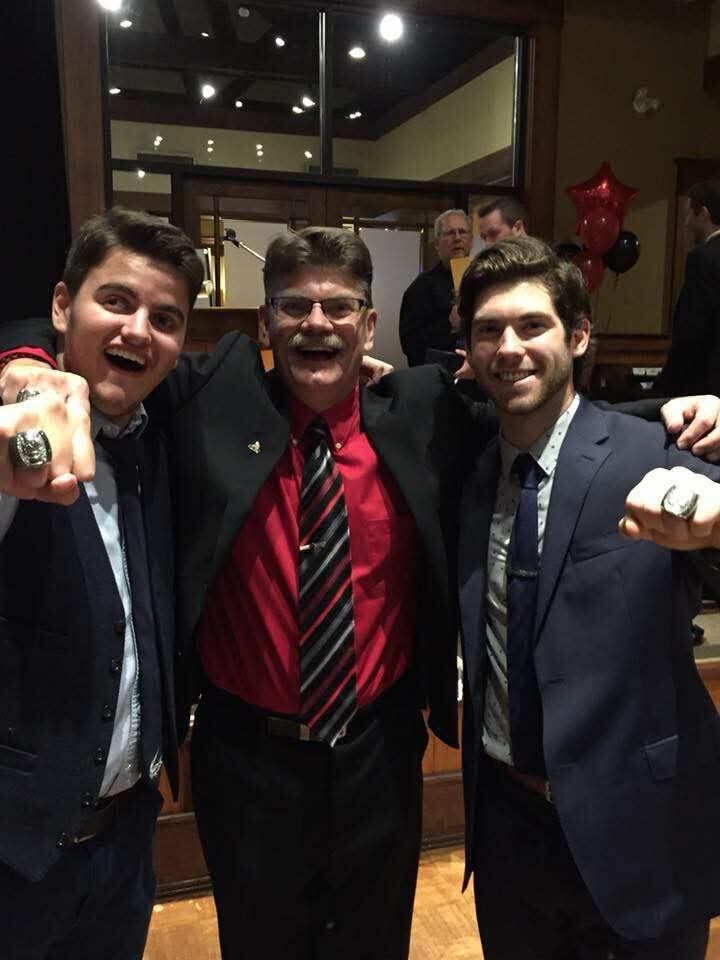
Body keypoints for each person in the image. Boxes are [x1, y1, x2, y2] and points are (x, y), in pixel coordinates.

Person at [3, 227, 720, 960]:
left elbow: (541, 413)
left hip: (380, 757)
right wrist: (24, 361)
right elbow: (96, 346)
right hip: (246, 762)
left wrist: (676, 413)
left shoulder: (422, 411)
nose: (317, 323)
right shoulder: (211, 398)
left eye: (340, 307)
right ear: (266, 324)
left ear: (369, 325)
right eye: (295, 306)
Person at [456, 235, 720, 959]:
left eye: (531, 325)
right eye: (489, 330)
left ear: (577, 336)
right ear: (469, 352)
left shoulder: (660, 454)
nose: (510, 348)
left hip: (643, 824)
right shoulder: (465, 474)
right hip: (509, 828)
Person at [0, 207, 203, 959]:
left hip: (126, 839)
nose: (138, 331)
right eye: (116, 301)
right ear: (62, 305)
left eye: (165, 318)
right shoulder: (14, 426)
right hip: (14, 855)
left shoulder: (157, 436)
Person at [654, 179, 720, 397]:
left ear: (704, 214)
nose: (687, 223)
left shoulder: (703, 258)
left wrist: (665, 387)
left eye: (690, 213)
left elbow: (692, 329)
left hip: (705, 386)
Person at [399, 208, 472, 367]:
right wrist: (449, 325)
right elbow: (410, 346)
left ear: (471, 240)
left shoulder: (482, 281)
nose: (457, 238)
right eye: (450, 233)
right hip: (438, 375)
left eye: (462, 232)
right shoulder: (420, 288)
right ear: (437, 244)